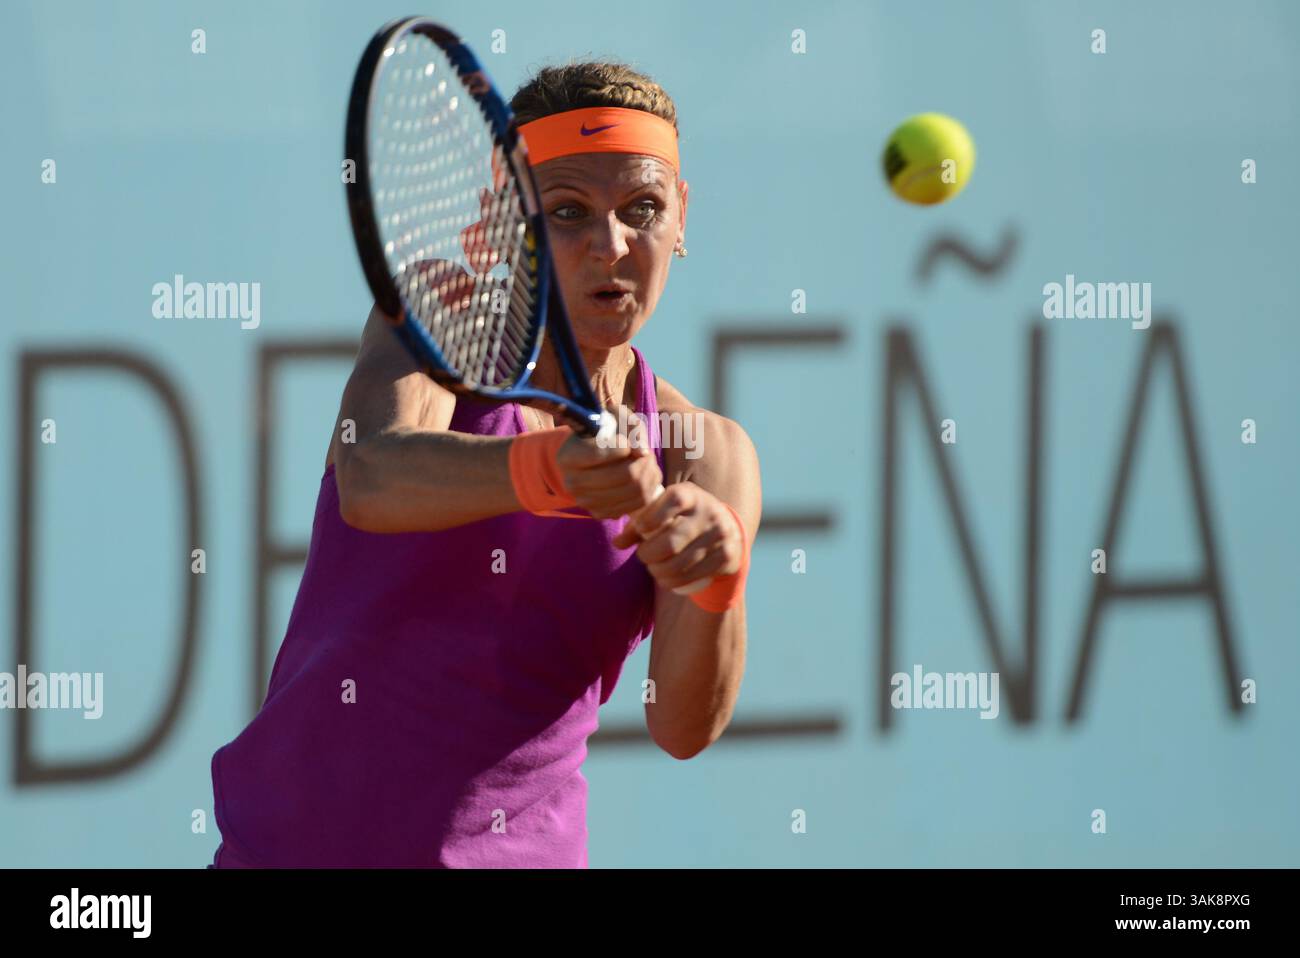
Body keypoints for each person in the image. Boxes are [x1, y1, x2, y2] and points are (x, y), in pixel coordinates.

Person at [208, 61, 762, 868]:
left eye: (642, 208)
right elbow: (373, 477)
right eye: (568, 212)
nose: (611, 245)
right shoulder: (439, 322)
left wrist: (716, 579)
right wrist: (550, 468)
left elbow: (683, 728)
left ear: (681, 216)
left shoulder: (704, 453)